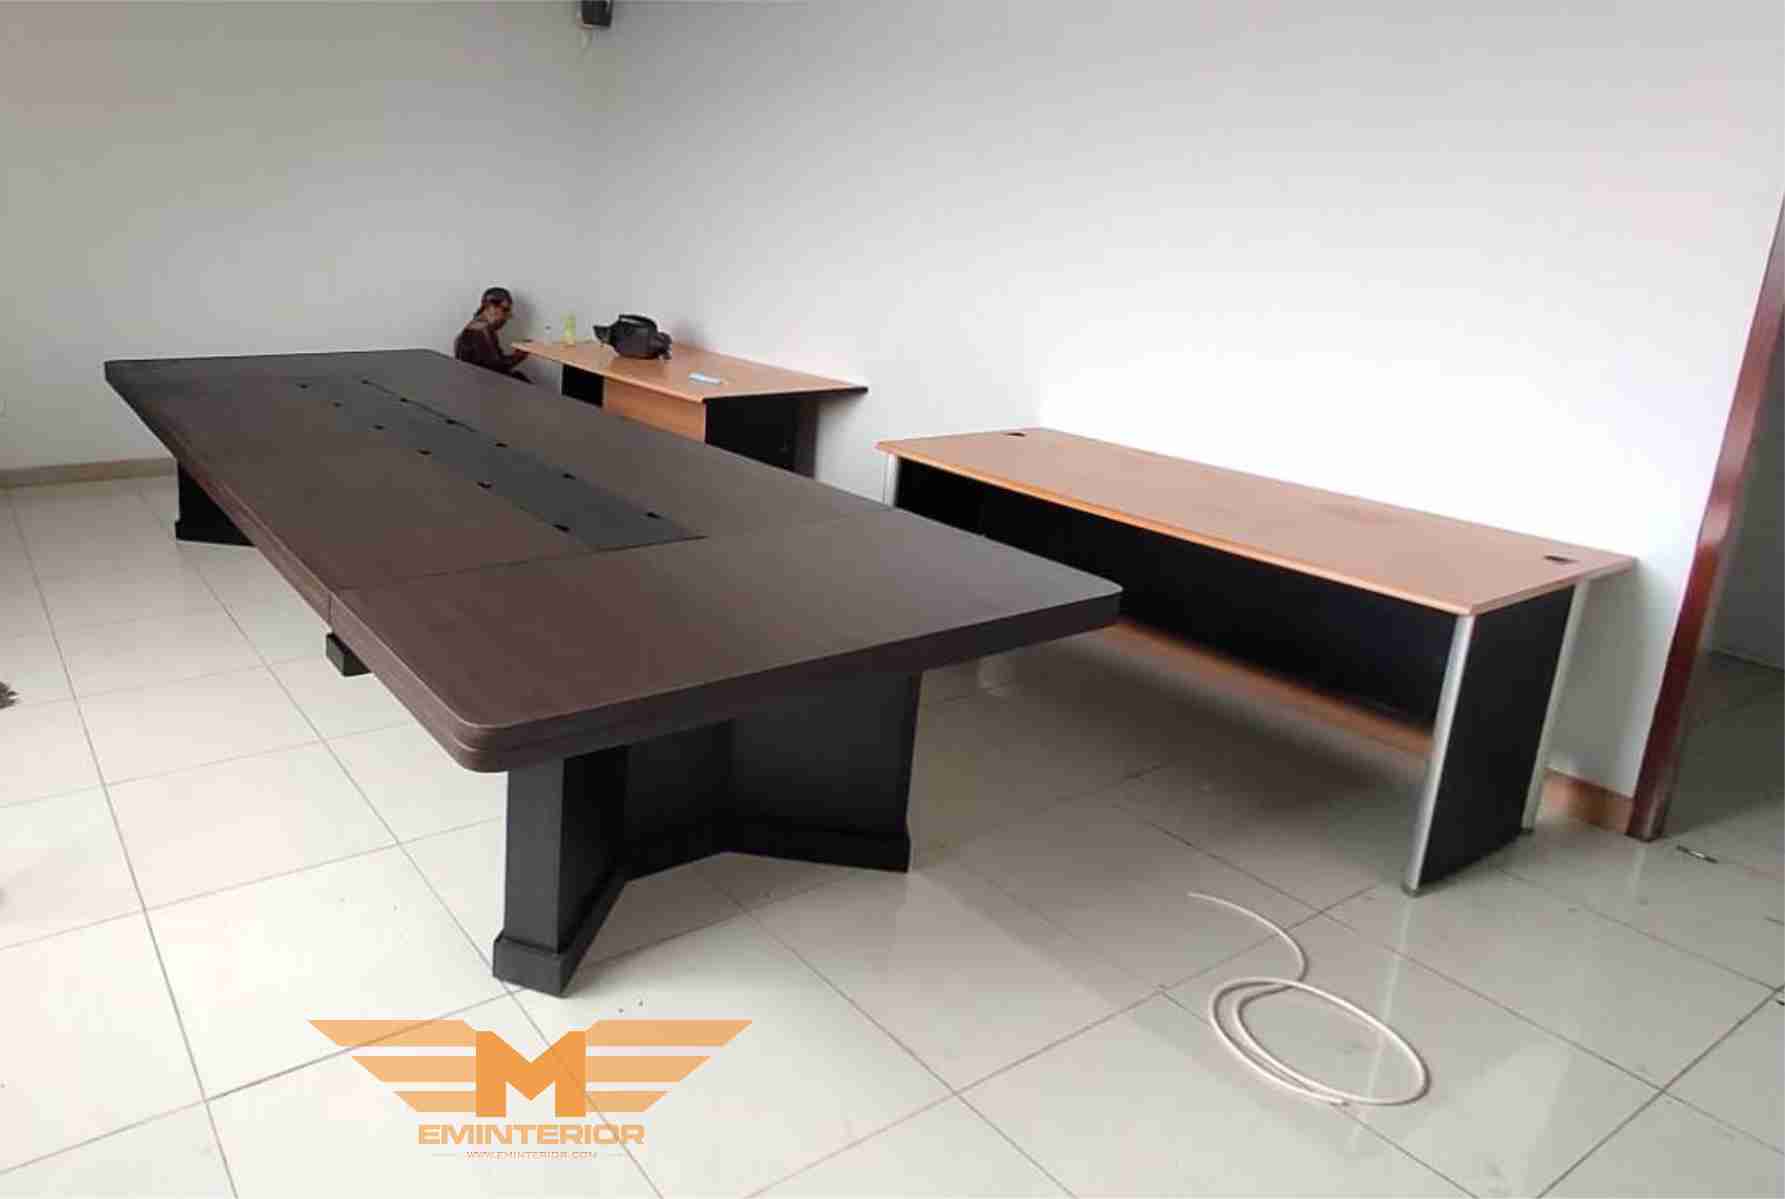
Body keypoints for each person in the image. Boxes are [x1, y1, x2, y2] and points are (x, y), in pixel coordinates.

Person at [454, 286, 530, 380]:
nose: (507, 317)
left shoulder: (477, 325)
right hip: (479, 383)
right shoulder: (481, 330)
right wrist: (520, 354)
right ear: (490, 307)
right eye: (505, 310)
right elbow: (499, 367)